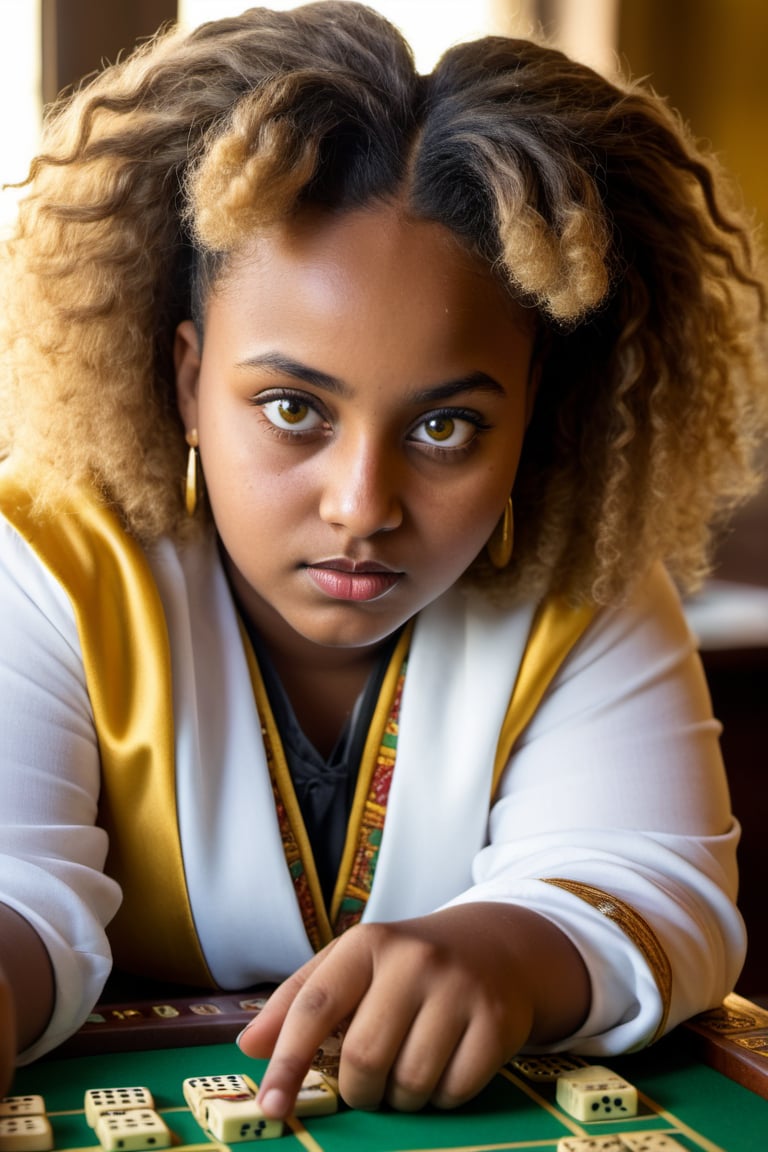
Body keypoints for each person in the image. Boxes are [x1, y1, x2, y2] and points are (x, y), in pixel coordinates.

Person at [1, 0, 766, 1119]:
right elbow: (14, 884)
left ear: (534, 414)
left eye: (446, 427)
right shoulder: (43, 557)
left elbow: (657, 884)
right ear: (185, 382)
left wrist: (510, 952)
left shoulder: (585, 581)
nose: (363, 507)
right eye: (292, 407)